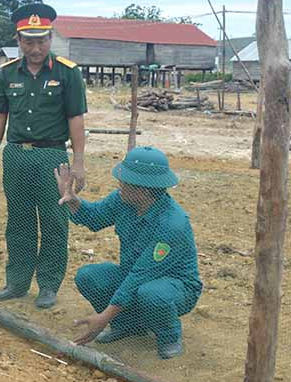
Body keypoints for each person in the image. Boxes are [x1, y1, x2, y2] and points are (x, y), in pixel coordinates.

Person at [55, 147, 202, 359]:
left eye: (125, 181)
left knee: (151, 294)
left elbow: (140, 275)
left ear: (143, 189)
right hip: (134, 275)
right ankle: (127, 326)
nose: (119, 185)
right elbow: (95, 217)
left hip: (174, 288)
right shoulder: (123, 200)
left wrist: (103, 317)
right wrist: (72, 200)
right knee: (89, 277)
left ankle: (169, 335)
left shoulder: (173, 224)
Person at [0, 3, 87, 309]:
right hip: (16, 156)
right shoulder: (7, 75)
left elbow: (76, 120)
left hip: (52, 157)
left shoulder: (68, 74)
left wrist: (78, 163)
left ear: (50, 38)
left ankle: (48, 285)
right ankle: (17, 282)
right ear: (18, 40)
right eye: (28, 41)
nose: (35, 47)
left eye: (41, 40)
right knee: (18, 221)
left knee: (55, 221)